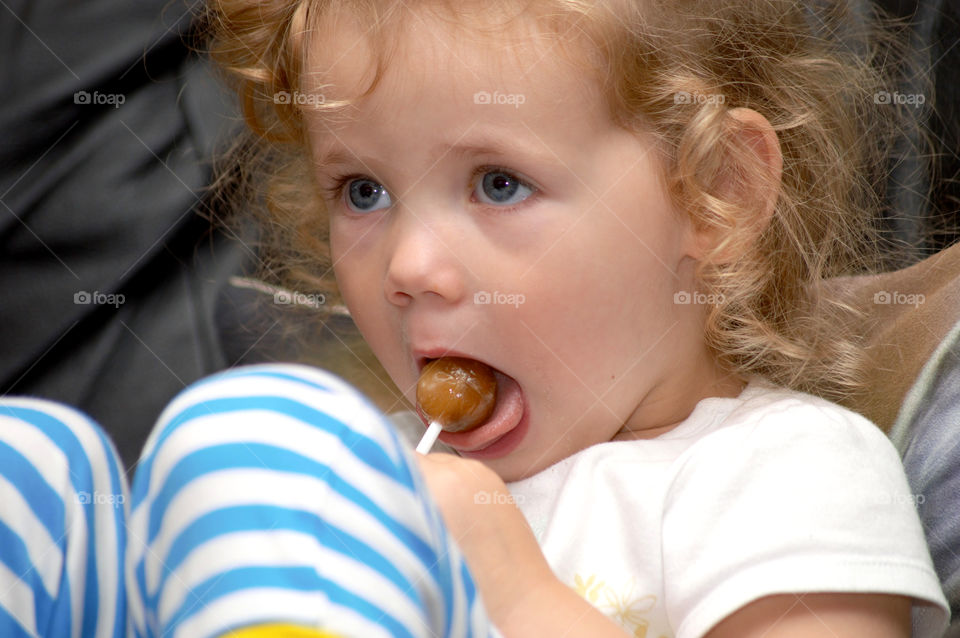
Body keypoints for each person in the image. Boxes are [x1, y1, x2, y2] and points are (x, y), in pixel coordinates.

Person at [3, 0, 953, 636]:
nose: (410, 267)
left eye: (499, 183)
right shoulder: (343, 470)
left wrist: (515, 584)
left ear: (716, 192)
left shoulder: (779, 470)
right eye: (363, 191)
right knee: (39, 467)